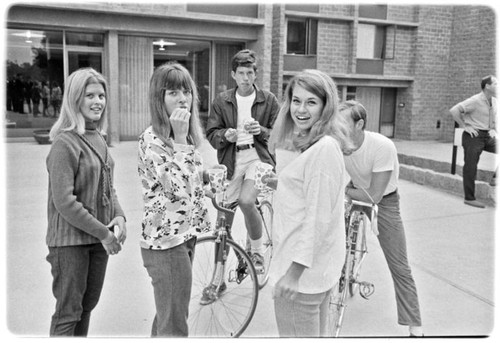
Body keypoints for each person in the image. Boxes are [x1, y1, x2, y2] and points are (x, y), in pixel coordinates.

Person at [266, 69, 351, 337]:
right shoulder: (313, 144)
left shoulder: (324, 149)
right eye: (296, 100)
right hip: (314, 271)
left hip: (301, 276)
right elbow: (312, 196)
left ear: (326, 107)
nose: (300, 109)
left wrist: (293, 273)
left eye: (311, 102)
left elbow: (318, 219)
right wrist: (282, 184)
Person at [46, 68, 126, 336]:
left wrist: (119, 216)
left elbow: (108, 187)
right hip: (69, 244)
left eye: (101, 95)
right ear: (75, 99)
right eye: (90, 95)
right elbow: (65, 202)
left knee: (87, 307)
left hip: (97, 241)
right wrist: (105, 233)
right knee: (69, 313)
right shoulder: (64, 143)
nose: (97, 101)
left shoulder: (99, 139)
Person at [138, 62, 211, 337]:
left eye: (186, 91)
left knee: (168, 315)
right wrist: (181, 138)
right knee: (175, 325)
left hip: (184, 235)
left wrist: (206, 179)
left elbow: (190, 182)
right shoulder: (153, 139)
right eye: (172, 93)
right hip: (166, 242)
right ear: (159, 98)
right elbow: (175, 189)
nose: (183, 99)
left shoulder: (177, 136)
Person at [339, 100, 423, 337]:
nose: (336, 128)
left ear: (360, 124)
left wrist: (343, 191)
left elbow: (374, 195)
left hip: (384, 201)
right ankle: (339, 275)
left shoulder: (381, 146)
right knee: (327, 238)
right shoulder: (336, 143)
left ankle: (415, 326)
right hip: (355, 190)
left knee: (399, 265)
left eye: (342, 123)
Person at [206, 49, 279, 273]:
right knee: (223, 224)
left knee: (247, 201)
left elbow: (278, 135)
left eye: (250, 73)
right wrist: (224, 136)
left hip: (259, 159)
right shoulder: (222, 100)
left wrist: (262, 131)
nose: (246, 78)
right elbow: (211, 133)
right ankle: (218, 280)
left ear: (255, 74)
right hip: (231, 160)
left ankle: (256, 253)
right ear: (233, 75)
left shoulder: (268, 100)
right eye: (241, 73)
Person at [449, 75, 497, 208]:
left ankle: (495, 178)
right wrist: (465, 126)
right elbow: (454, 110)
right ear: (487, 86)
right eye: (496, 84)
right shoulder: (475, 100)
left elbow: (492, 121)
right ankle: (469, 198)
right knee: (471, 167)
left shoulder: (493, 101)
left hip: (486, 136)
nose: (498, 86)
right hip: (473, 137)